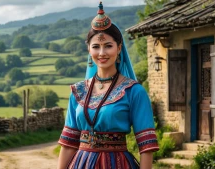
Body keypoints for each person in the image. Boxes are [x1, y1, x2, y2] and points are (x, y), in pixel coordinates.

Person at [57, 2, 159, 169]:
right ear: (89, 50)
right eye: (96, 46)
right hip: (81, 164)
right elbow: (68, 144)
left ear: (119, 48)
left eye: (108, 46)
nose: (102, 53)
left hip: (117, 164)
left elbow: (146, 146)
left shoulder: (134, 92)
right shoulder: (78, 92)